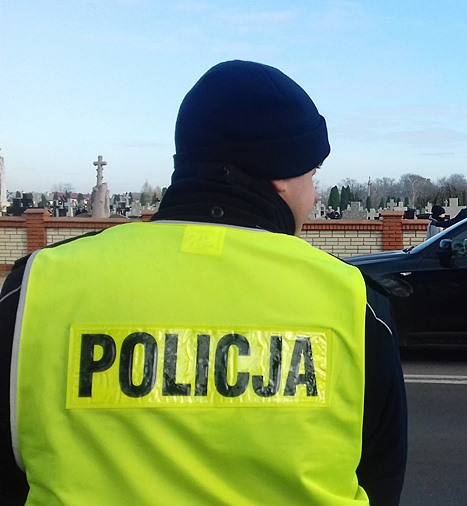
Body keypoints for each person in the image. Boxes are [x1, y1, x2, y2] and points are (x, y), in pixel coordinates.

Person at [0, 60, 407, 505]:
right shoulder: (353, 302)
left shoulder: (37, 287)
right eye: (312, 176)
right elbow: (380, 482)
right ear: (279, 174)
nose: (312, 196)